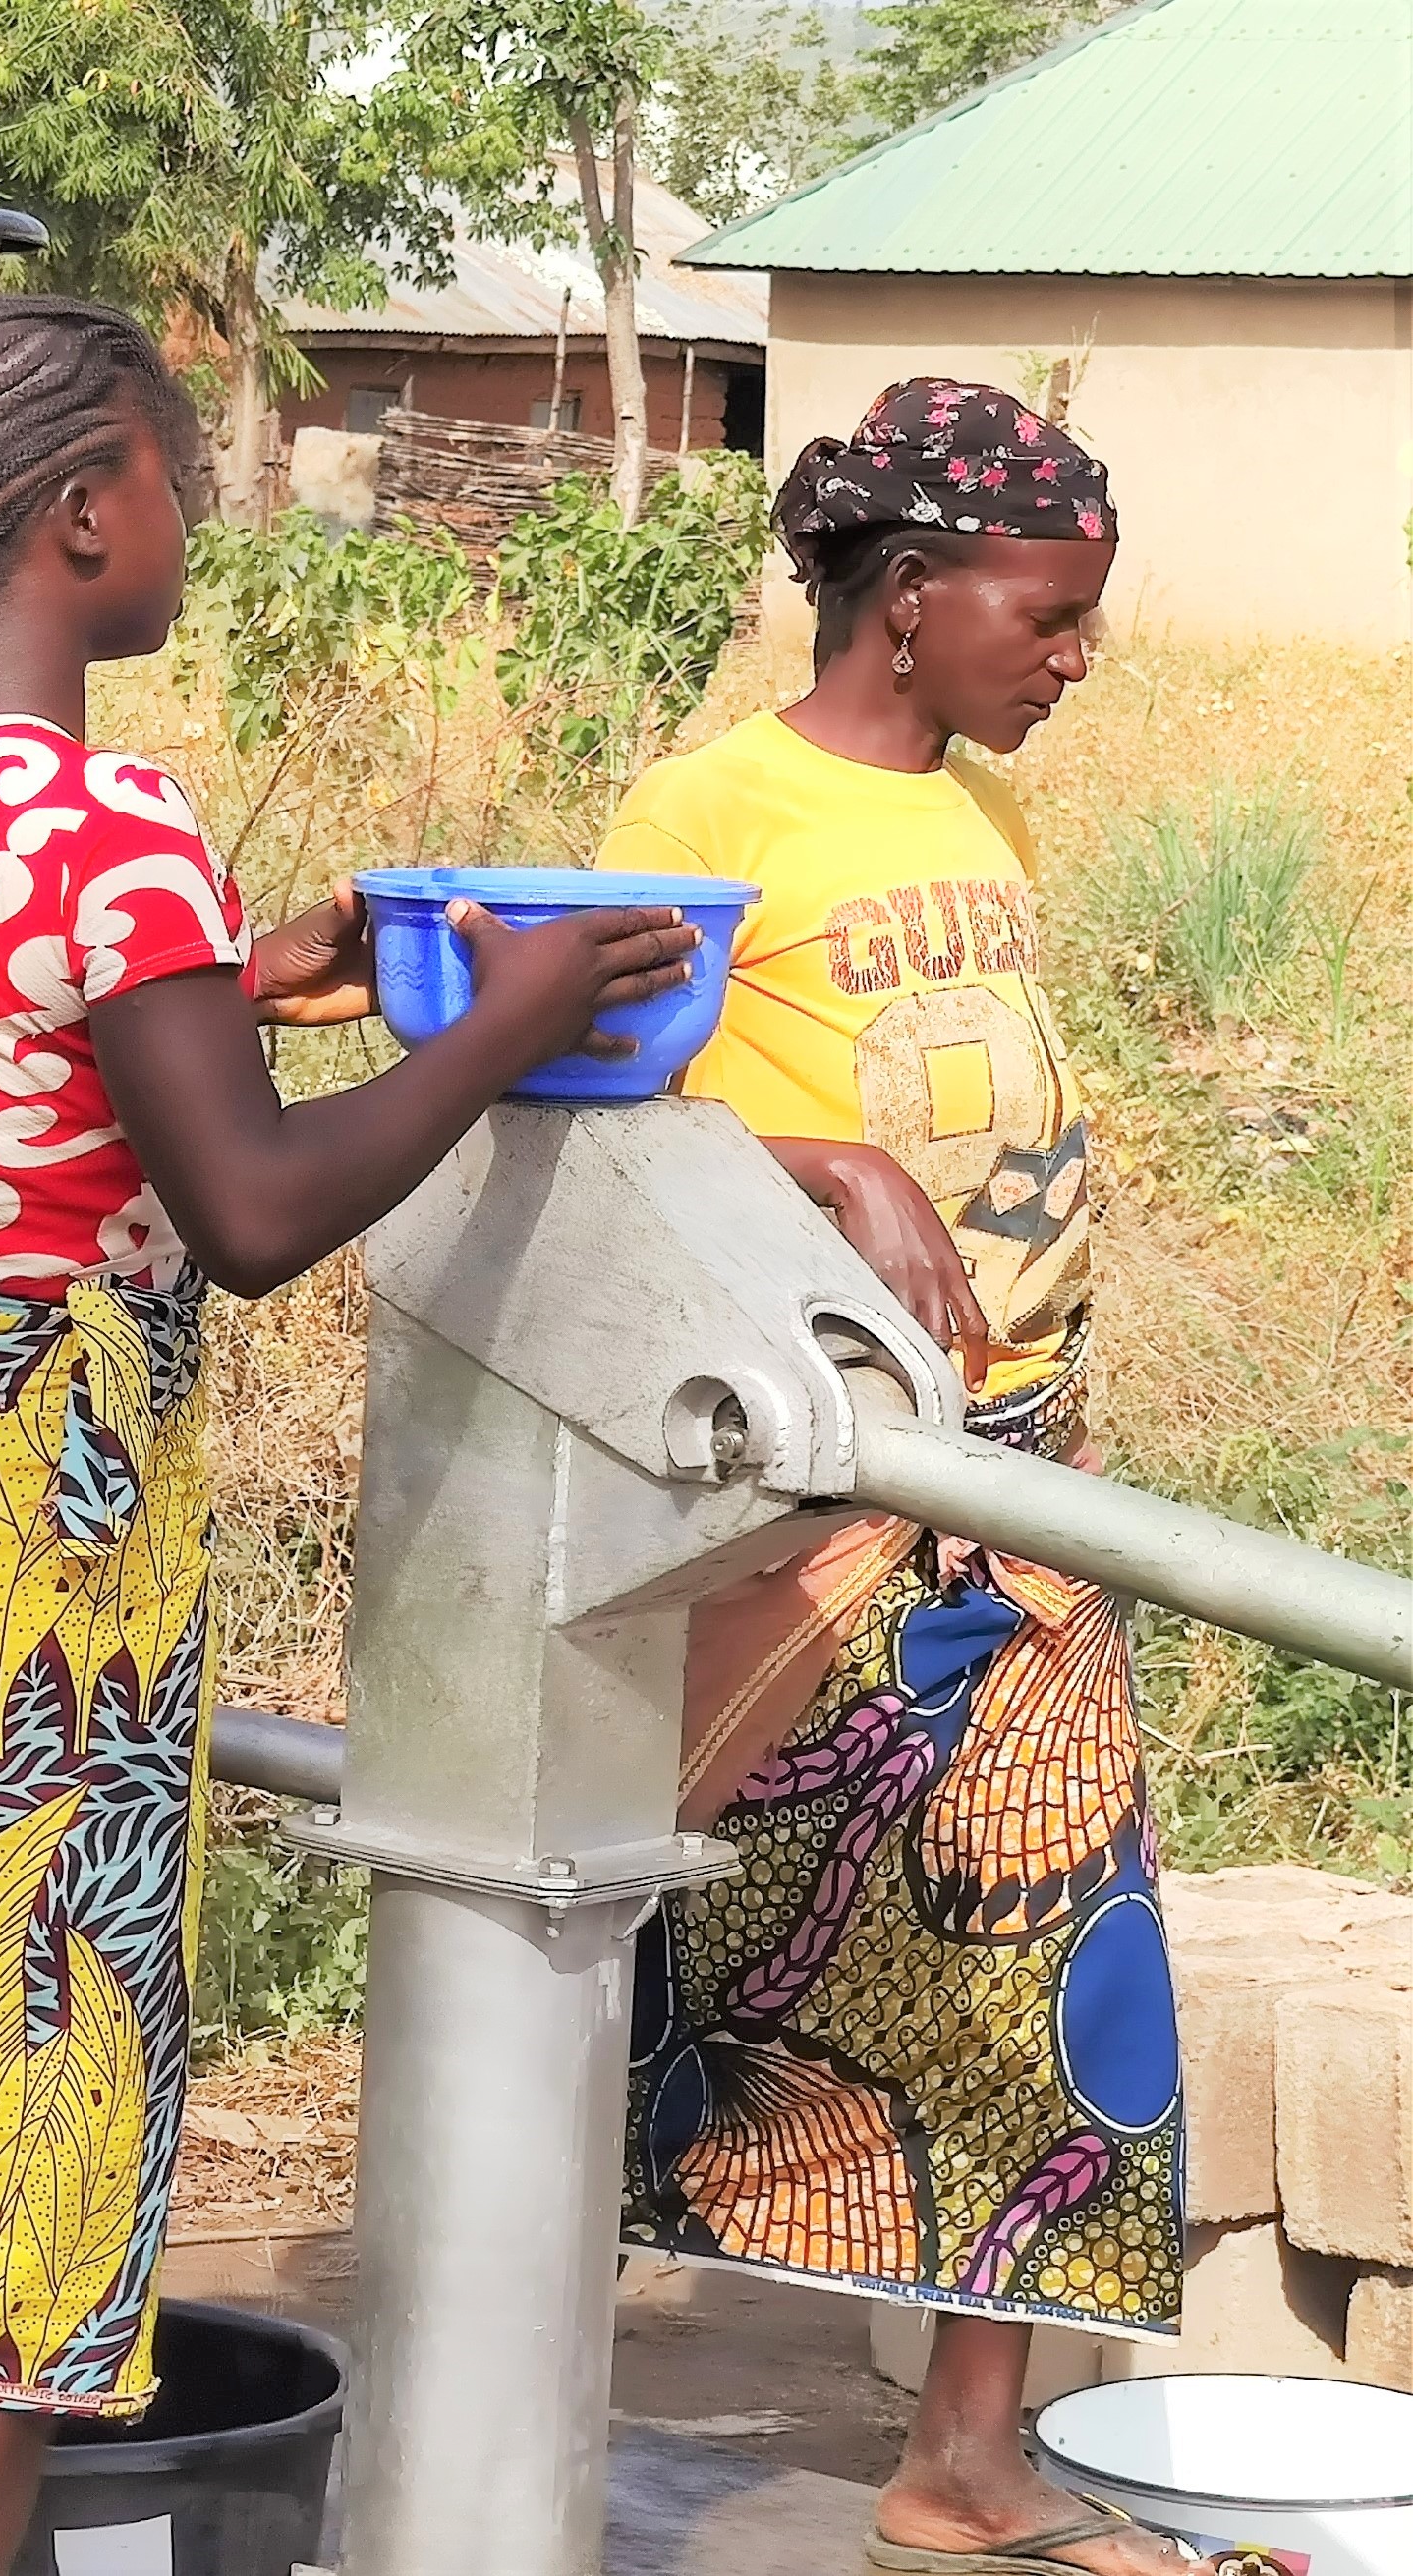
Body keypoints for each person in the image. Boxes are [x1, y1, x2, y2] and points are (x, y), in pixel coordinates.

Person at [0, 291, 700, 2576]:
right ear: (86, 512)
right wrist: (518, 1018)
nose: (191, 517)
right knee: (21, 2061)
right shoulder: (108, 816)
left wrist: (244, 979)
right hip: (10, 1528)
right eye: (175, 476)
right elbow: (252, 1206)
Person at [601, 383, 1205, 2576]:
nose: (1067, 658)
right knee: (672, 1953)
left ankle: (964, 2449)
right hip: (811, 1491)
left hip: (1016, 1480)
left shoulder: (981, 821)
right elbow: (580, 1110)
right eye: (1042, 617)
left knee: (1063, 1957)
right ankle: (493, 2365)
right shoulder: (712, 804)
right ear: (906, 598)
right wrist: (824, 1163)